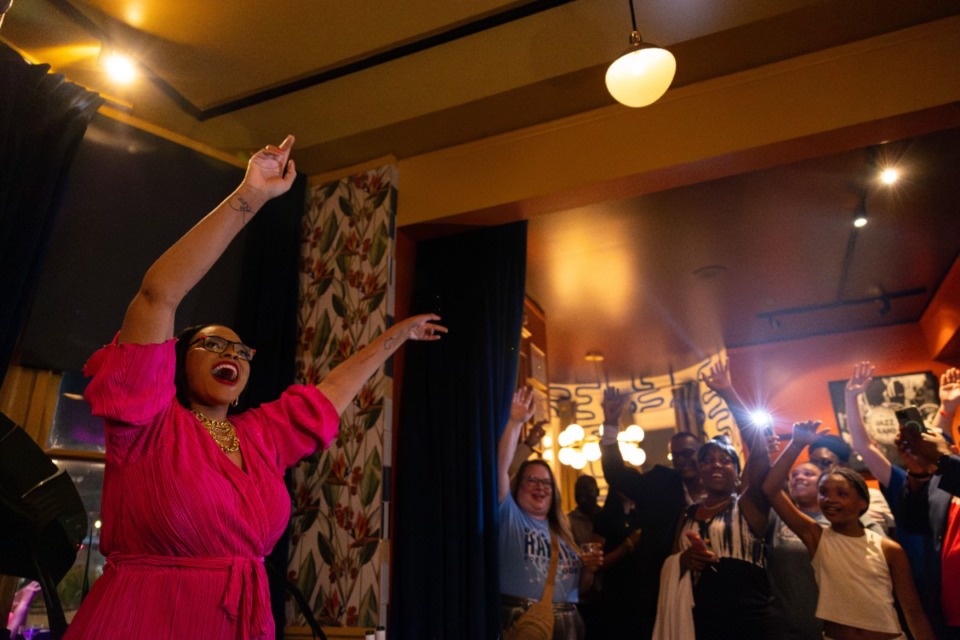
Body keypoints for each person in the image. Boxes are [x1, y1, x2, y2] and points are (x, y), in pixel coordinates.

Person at [64, 136, 447, 640]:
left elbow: (333, 389)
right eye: (213, 347)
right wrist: (251, 195)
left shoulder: (260, 437)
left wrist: (397, 336)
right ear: (174, 367)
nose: (233, 356)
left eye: (243, 352)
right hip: (147, 618)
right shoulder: (148, 423)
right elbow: (159, 295)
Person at [763, 421, 935, 640]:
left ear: (863, 502)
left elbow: (914, 612)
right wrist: (796, 444)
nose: (830, 500)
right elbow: (770, 488)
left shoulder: (889, 548)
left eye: (841, 494)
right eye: (823, 493)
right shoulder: (816, 537)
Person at [666, 360, 782, 639]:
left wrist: (728, 393)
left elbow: (756, 446)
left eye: (725, 460)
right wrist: (685, 560)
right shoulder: (688, 514)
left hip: (750, 623)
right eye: (707, 460)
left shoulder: (747, 504)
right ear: (699, 470)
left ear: (738, 469)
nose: (715, 465)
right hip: (701, 620)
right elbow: (671, 561)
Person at [844, 361, 949, 635]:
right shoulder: (904, 481)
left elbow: (940, 438)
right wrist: (851, 397)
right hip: (920, 584)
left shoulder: (951, 479)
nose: (921, 445)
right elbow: (863, 446)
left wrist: (947, 408)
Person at [598, 387, 702, 639]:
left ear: (702, 453)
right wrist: (611, 423)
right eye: (675, 455)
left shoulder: (717, 486)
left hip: (708, 589)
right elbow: (615, 473)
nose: (680, 460)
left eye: (687, 453)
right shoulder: (660, 483)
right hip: (661, 588)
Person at [499, 388, 602, 640]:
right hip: (522, 623)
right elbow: (500, 469)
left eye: (545, 483)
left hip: (567, 626)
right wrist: (515, 422)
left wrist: (589, 570)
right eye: (531, 481)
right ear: (517, 485)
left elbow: (580, 589)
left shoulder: (565, 532)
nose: (539, 487)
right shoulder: (510, 517)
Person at [807, 433, 895, 535]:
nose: (817, 468)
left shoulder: (870, 496)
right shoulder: (806, 499)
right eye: (813, 463)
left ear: (843, 466)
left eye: (826, 463)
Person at [567, 475, 601, 546]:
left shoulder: (606, 516)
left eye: (591, 492)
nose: (584, 498)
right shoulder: (569, 521)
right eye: (581, 493)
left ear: (597, 492)